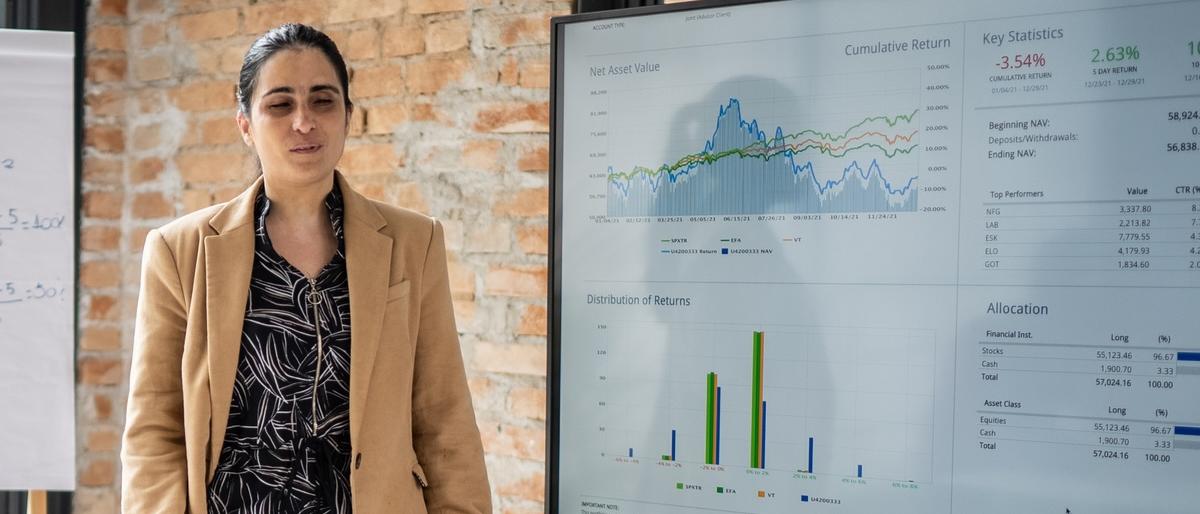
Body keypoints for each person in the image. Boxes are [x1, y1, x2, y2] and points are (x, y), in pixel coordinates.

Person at [120, 23, 491, 513]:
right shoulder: (180, 251)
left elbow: (444, 420)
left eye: (322, 101)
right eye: (280, 104)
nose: (304, 121)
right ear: (245, 125)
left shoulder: (412, 242)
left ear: (348, 116)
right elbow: (155, 431)